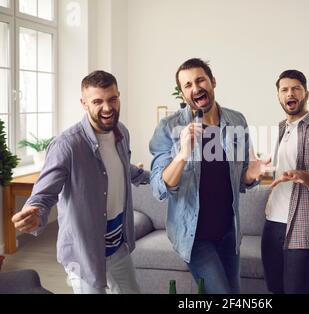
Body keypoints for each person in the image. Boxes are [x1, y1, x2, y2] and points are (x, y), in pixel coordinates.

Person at [12, 71, 149, 294]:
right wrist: (35, 213)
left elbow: (124, 169)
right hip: (83, 252)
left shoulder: (121, 132)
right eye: (97, 101)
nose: (107, 107)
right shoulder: (67, 145)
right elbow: (44, 194)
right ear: (84, 103)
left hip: (118, 247)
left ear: (119, 97)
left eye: (112, 99)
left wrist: (156, 178)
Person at [149, 58, 269, 294]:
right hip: (195, 238)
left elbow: (242, 178)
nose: (196, 88)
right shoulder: (167, 128)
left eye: (200, 80)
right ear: (183, 93)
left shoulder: (237, 121)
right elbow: (159, 187)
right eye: (188, 85)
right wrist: (183, 154)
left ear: (213, 81)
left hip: (228, 233)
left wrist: (250, 175)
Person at [262, 70, 309, 294]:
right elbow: (273, 172)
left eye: (296, 88)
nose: (290, 93)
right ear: (278, 96)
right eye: (284, 90)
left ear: (306, 93)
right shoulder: (279, 128)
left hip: (303, 224)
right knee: (275, 288)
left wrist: (302, 175)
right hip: (272, 221)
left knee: (297, 290)